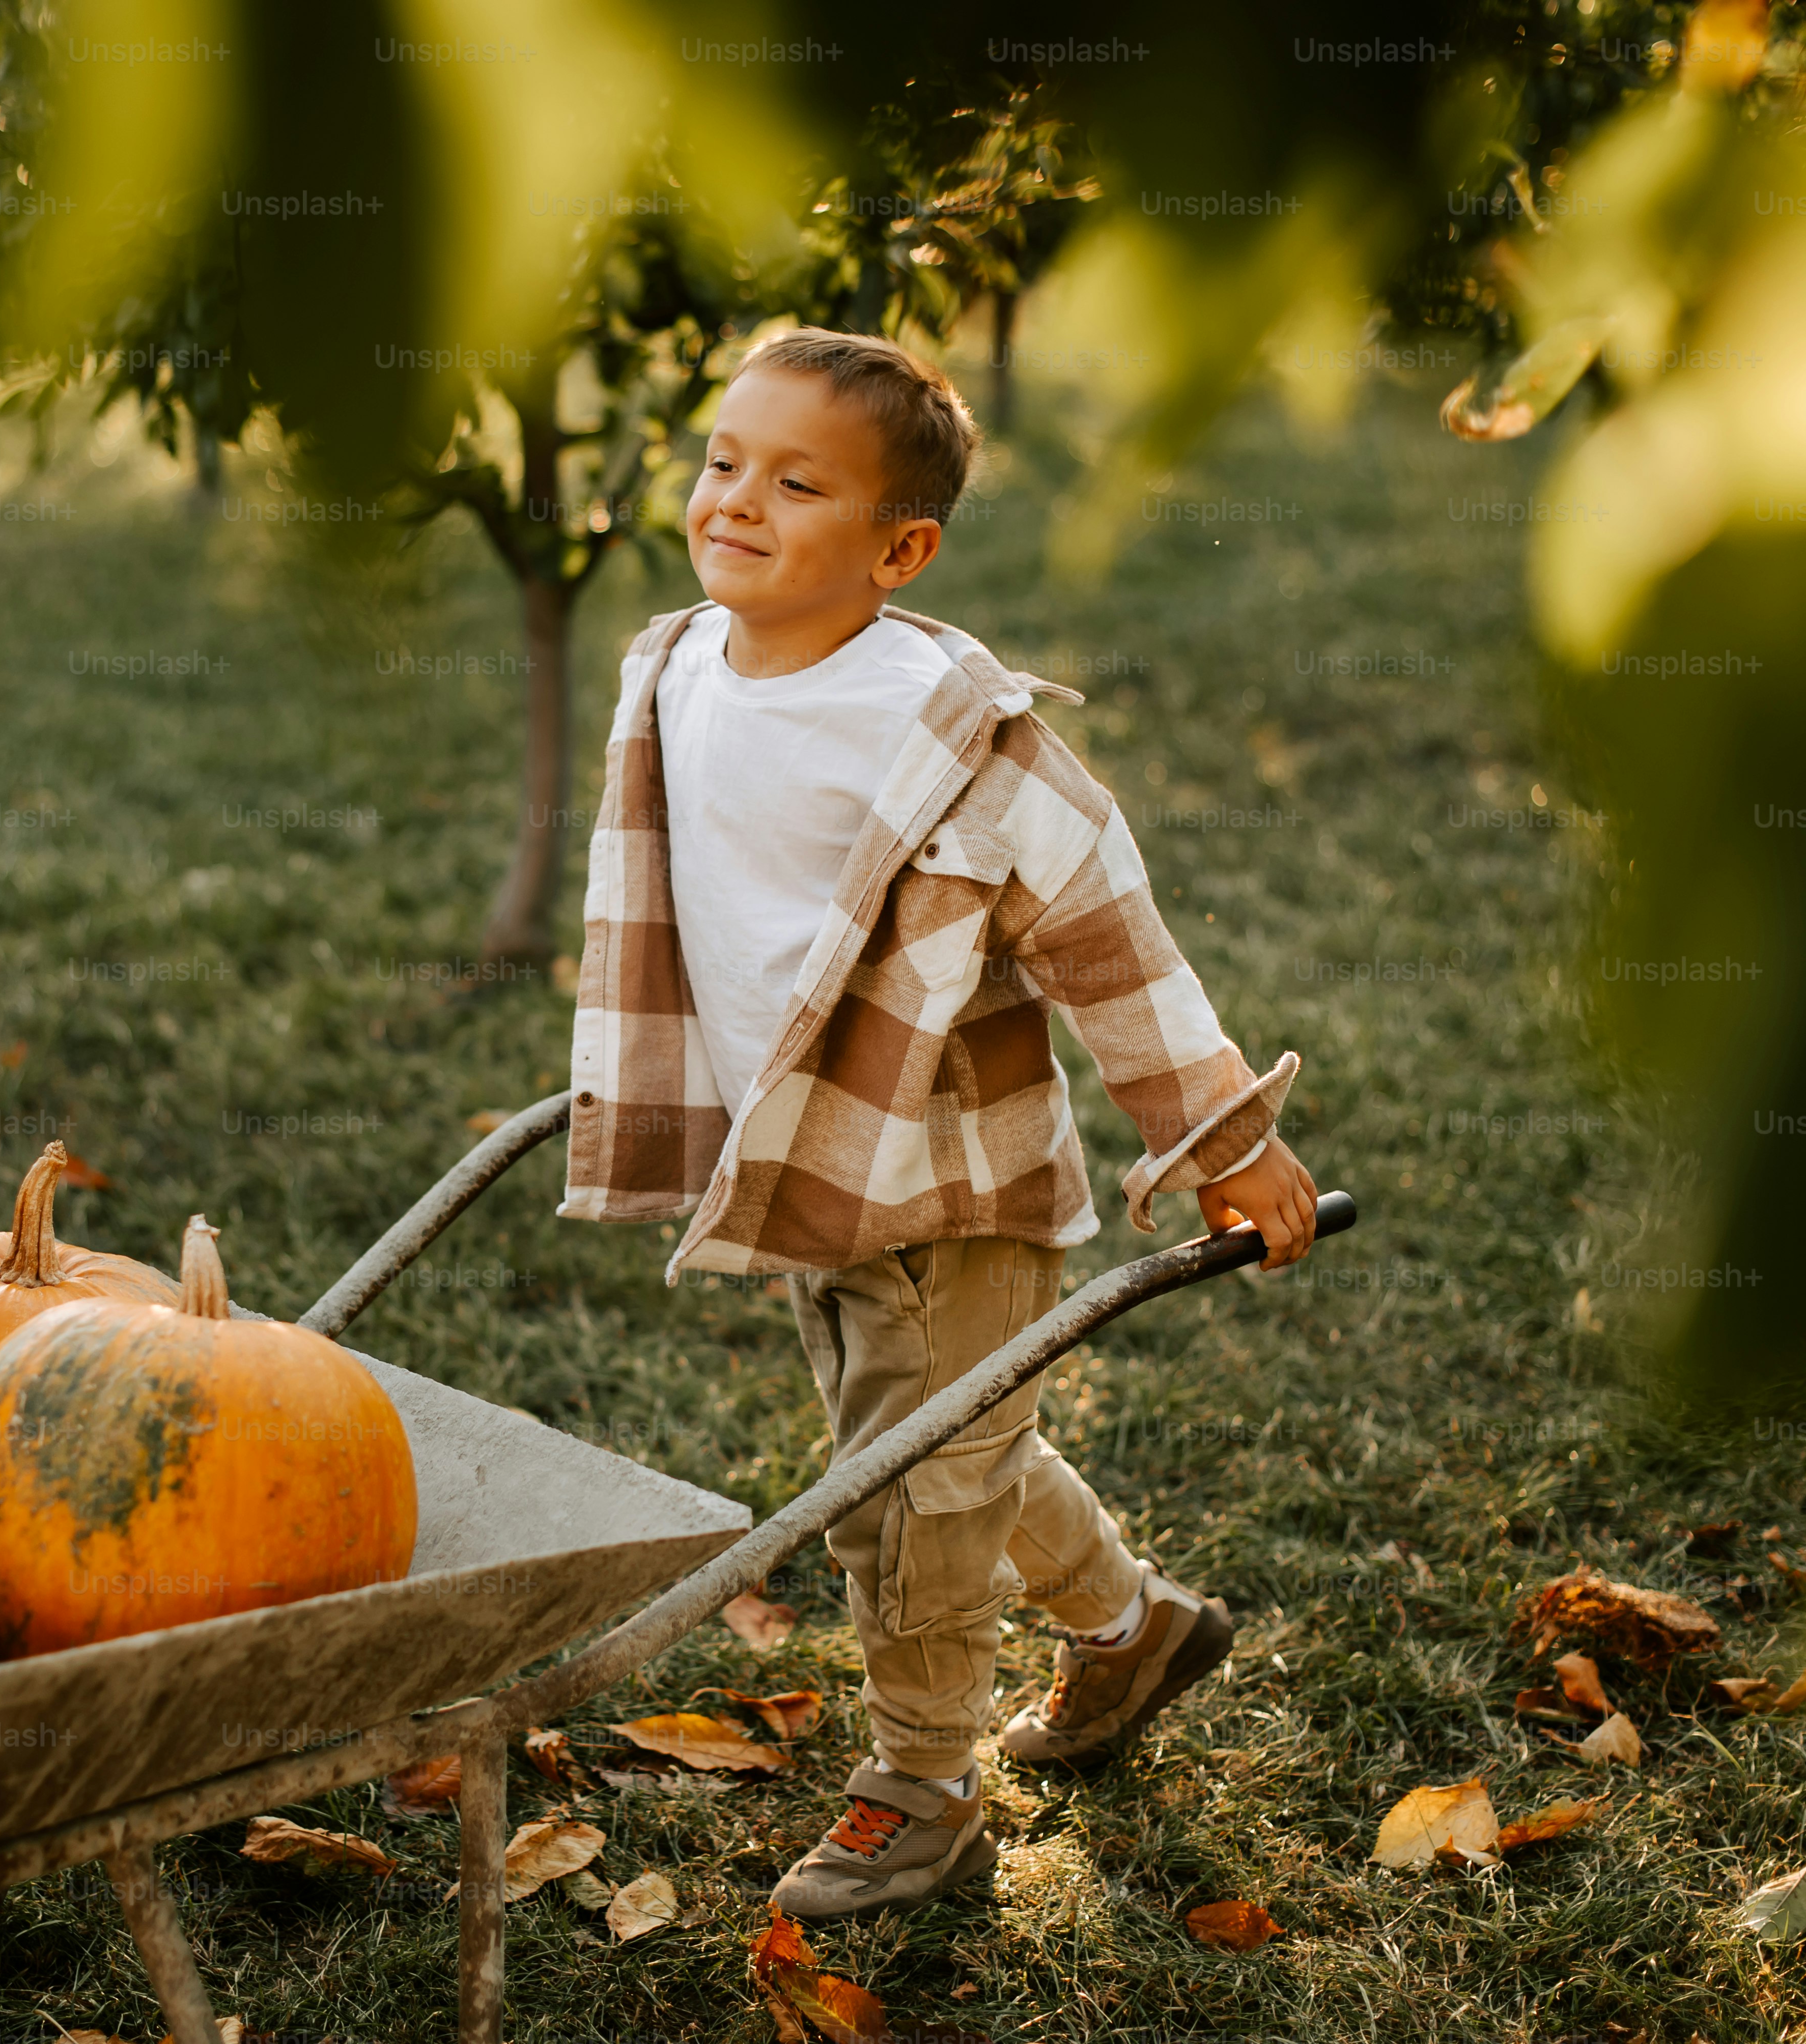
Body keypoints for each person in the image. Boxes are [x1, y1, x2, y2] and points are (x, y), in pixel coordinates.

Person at [556, 327, 1320, 1920]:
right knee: (956, 1446)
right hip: (813, 1172)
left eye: (797, 483)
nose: (737, 502)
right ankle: (1133, 1635)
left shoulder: (946, 732)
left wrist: (1228, 1141)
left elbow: (1111, 936)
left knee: (914, 1491)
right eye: (723, 462)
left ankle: (921, 1783)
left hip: (950, 1186)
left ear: (901, 551)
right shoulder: (684, 664)